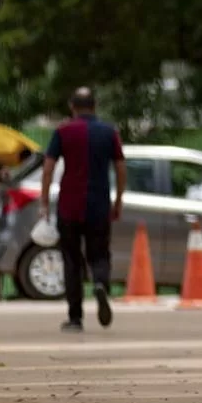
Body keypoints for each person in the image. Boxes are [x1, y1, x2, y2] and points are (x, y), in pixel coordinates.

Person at [40, 87, 127, 333]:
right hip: (99, 204)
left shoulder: (63, 131)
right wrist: (118, 200)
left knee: (71, 260)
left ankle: (75, 317)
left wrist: (44, 202)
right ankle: (100, 283)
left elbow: (47, 168)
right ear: (95, 105)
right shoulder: (109, 132)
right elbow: (121, 168)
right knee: (99, 254)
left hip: (69, 206)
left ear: (72, 106)